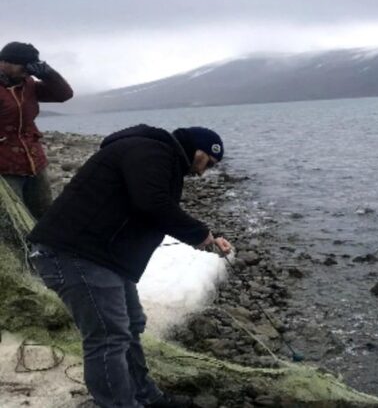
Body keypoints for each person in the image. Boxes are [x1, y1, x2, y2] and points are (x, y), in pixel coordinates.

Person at [27, 124, 232, 408]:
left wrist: (204, 236)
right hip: (74, 253)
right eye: (208, 162)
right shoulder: (152, 151)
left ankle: (146, 397)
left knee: (132, 324)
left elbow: (149, 206)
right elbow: (152, 203)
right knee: (108, 336)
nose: (204, 171)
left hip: (103, 256)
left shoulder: (162, 157)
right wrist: (199, 234)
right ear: (198, 149)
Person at [0, 41, 73, 218]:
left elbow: (63, 95)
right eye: (23, 65)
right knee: (14, 217)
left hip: (33, 159)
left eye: (31, 65)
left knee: (44, 212)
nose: (28, 69)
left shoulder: (28, 84)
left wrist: (49, 75)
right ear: (4, 63)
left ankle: (43, 245)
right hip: (4, 165)